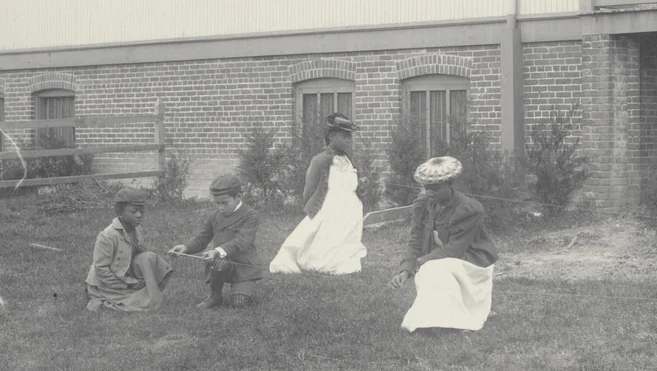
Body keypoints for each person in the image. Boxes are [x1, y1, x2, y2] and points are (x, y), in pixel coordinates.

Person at [388, 156, 498, 332]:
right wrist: (406, 269)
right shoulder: (423, 205)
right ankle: (436, 320)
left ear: (450, 184)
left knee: (432, 270)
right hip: (442, 260)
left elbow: (455, 249)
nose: (430, 192)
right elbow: (415, 239)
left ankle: (457, 321)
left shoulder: (469, 209)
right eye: (426, 188)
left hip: (471, 263)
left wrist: (420, 262)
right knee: (431, 269)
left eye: (436, 188)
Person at [270, 112, 366, 275]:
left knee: (346, 237)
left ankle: (342, 261)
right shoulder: (320, 160)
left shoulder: (349, 160)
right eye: (344, 136)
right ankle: (316, 261)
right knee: (322, 236)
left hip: (350, 207)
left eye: (349, 136)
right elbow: (310, 189)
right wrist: (313, 208)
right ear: (331, 136)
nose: (348, 140)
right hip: (329, 207)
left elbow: (351, 183)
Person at [169, 173, 262, 309]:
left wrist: (217, 251)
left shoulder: (251, 215)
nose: (221, 207)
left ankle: (241, 290)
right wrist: (185, 247)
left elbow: (242, 241)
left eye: (225, 203)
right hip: (222, 263)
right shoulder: (215, 216)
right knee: (219, 263)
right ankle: (215, 295)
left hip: (244, 266)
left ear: (238, 197)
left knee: (239, 304)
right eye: (217, 203)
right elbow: (202, 239)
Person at [85, 187, 174, 312]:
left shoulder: (137, 229)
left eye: (141, 211)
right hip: (106, 284)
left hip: (124, 275)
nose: (139, 215)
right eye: (134, 212)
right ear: (119, 212)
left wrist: (139, 251)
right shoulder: (107, 236)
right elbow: (101, 270)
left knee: (148, 257)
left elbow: (128, 257)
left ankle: (143, 293)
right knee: (140, 304)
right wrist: (128, 283)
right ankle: (101, 301)